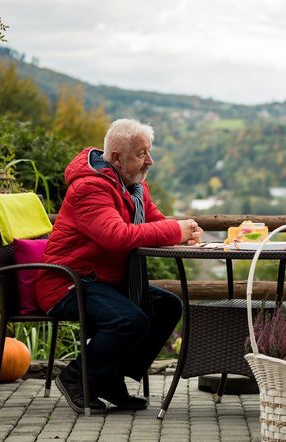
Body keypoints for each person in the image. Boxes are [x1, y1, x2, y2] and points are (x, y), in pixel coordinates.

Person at [35, 118, 203, 414]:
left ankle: (107, 377)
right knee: (130, 320)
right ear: (115, 157)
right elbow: (115, 236)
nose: (149, 161)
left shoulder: (134, 189)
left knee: (168, 307)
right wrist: (176, 231)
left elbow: (155, 220)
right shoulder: (90, 188)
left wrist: (182, 231)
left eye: (148, 152)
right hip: (67, 283)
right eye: (141, 154)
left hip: (103, 282)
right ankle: (77, 376)